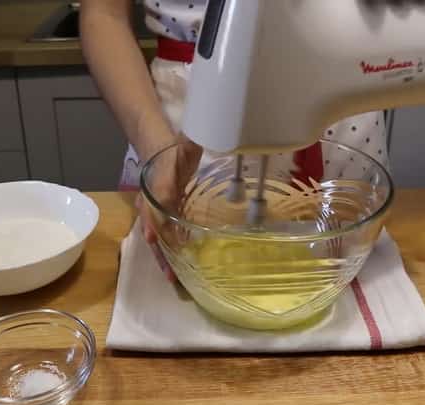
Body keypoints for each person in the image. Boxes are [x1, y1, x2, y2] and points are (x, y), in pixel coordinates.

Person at [81, 0, 388, 280]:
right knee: (182, 273)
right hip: (184, 123)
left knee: (351, 274)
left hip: (342, 108)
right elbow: (104, 14)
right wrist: (161, 152)